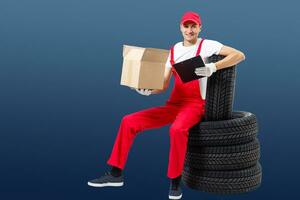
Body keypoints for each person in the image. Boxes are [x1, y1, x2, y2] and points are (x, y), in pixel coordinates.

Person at [88, 11, 245, 200]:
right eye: (186, 26)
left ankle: (175, 182)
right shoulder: (173, 50)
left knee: (177, 130)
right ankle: (115, 174)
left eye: (193, 26)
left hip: (196, 105)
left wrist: (213, 67)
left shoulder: (208, 45)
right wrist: (145, 90)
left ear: (200, 28)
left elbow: (239, 55)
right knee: (128, 121)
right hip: (174, 104)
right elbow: (162, 86)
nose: (190, 30)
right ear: (180, 28)